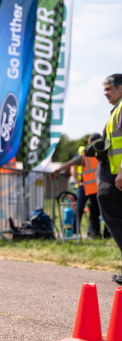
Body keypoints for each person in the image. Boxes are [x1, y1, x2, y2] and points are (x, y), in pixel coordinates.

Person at [52, 133, 109, 239]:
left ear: (89, 141)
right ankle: (96, 233)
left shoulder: (86, 153)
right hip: (95, 187)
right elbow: (72, 165)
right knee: (97, 212)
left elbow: (70, 164)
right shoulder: (103, 152)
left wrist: (57, 171)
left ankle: (88, 233)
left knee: (87, 211)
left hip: (90, 187)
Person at [96, 74, 122, 284]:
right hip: (114, 175)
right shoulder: (117, 110)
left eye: (109, 89)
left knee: (115, 217)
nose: (105, 93)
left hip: (118, 177)